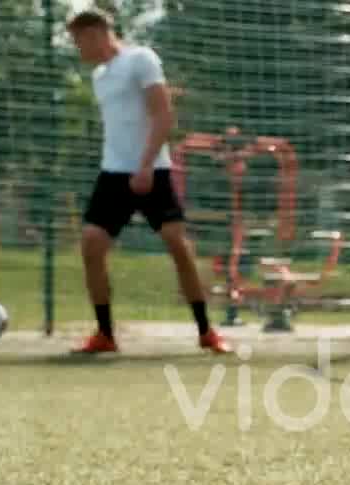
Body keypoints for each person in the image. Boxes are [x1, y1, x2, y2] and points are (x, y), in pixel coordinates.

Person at [65, 8, 230, 354]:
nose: (77, 48)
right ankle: (105, 334)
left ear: (96, 33)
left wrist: (144, 166)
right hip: (113, 174)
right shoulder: (99, 76)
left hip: (151, 170)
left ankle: (206, 331)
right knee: (91, 244)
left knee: (176, 243)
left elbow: (163, 114)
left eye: (78, 40)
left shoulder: (141, 59)